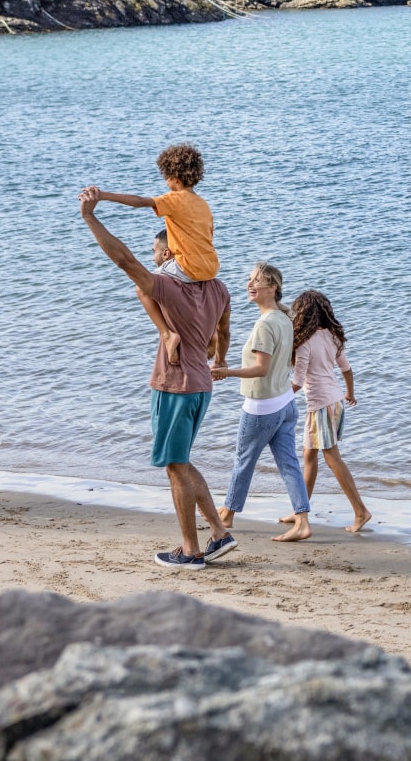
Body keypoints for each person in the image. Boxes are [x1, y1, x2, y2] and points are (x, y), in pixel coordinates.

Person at [78, 189, 237, 570]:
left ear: (173, 249)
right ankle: (219, 532)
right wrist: (221, 358)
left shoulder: (167, 286)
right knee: (180, 461)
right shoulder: (219, 288)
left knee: (175, 466)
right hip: (202, 384)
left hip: (175, 384)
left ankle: (191, 551)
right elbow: (225, 335)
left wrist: (90, 217)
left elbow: (124, 260)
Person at [81, 143, 219, 367]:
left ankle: (167, 333)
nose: (166, 182)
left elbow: (140, 201)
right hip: (210, 267)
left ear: (174, 176)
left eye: (166, 176)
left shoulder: (174, 199)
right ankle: (211, 333)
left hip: (188, 267)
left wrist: (104, 196)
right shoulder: (203, 205)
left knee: (142, 287)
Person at [213, 262, 312, 543]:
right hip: (285, 404)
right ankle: (302, 521)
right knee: (289, 464)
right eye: (249, 280)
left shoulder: (265, 324)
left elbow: (261, 369)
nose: (250, 285)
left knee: (243, 461)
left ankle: (228, 514)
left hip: (262, 407)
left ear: (273, 288)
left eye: (257, 281)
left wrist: (226, 371)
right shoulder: (285, 317)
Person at [289, 290, 371, 532]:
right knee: (309, 456)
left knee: (331, 456)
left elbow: (298, 381)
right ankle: (300, 511)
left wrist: (277, 397)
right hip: (335, 401)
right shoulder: (332, 337)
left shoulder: (304, 343)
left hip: (321, 405)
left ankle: (360, 511)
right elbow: (346, 369)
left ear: (301, 315)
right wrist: (350, 393)